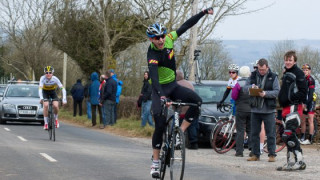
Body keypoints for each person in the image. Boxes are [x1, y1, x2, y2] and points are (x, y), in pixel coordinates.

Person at [147, 7, 213, 178]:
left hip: (173, 85)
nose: (160, 40)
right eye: (156, 38)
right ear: (151, 39)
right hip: (158, 88)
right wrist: (161, 95)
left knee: (197, 102)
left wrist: (203, 13)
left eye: (162, 36)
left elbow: (187, 25)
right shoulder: (152, 53)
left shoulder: (169, 39)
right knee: (160, 125)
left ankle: (181, 131)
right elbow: (154, 76)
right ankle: (155, 163)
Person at [277, 51, 307, 171]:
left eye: (290, 60)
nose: (288, 62)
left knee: (289, 134)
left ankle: (300, 161)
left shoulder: (298, 73)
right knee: (287, 137)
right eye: (286, 60)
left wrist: (290, 98)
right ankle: (290, 162)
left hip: (294, 107)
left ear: (295, 61)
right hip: (285, 108)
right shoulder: (287, 72)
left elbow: (303, 92)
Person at [246, 58, 280, 162]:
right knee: (254, 133)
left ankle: (272, 154)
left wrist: (265, 94)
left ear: (267, 67)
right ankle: (256, 154)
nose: (261, 72)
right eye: (260, 69)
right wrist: (251, 87)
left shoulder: (273, 77)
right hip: (255, 109)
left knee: (271, 133)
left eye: (263, 70)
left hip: (268, 110)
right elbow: (244, 88)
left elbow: (277, 91)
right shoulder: (252, 76)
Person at [231, 66, 251, 157]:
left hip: (240, 109)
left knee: (240, 130)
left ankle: (239, 151)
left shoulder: (238, 84)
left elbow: (234, 96)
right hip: (251, 109)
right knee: (251, 130)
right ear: (249, 73)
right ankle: (253, 150)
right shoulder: (253, 83)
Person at [176, 70, 198, 150]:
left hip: (182, 110)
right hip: (193, 108)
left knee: (178, 126)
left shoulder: (176, 85)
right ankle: (194, 143)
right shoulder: (189, 84)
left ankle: (177, 142)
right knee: (192, 126)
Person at [300, 64, 316, 145]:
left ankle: (310, 138)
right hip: (304, 101)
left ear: (309, 71)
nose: (305, 71)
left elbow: (310, 94)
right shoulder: (302, 79)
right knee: (302, 120)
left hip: (311, 101)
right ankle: (302, 137)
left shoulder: (311, 79)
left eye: (306, 70)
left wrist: (306, 104)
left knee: (310, 120)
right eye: (303, 70)